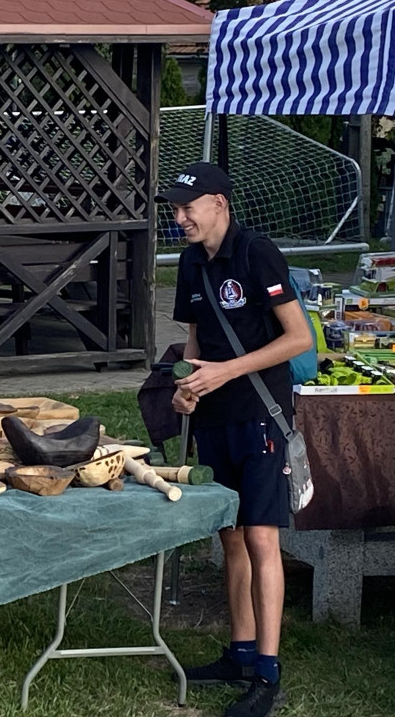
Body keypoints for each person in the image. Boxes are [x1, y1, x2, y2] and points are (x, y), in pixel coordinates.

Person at [163, 162, 312, 717]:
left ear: (219, 203)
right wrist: (185, 390)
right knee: (229, 534)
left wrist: (227, 372)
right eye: (176, 209)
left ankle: (268, 673)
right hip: (215, 414)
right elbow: (195, 341)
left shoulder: (256, 252)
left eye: (187, 207)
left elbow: (297, 338)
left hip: (261, 413)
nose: (180, 218)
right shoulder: (188, 262)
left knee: (260, 536)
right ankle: (240, 652)